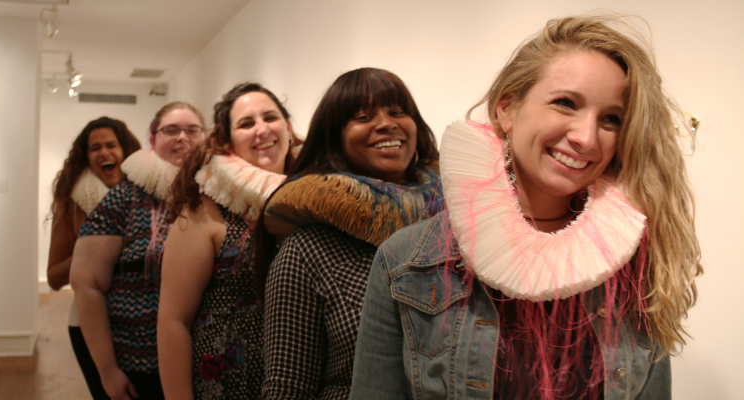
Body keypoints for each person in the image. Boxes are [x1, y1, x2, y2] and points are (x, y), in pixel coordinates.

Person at [350, 15, 702, 400]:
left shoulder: (636, 261)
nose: (586, 137)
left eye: (611, 119)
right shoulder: (406, 262)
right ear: (507, 108)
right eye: (565, 103)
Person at [254, 68, 442, 400]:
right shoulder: (307, 250)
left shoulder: (456, 226)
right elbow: (287, 387)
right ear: (334, 137)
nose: (386, 123)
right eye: (363, 116)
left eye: (398, 112)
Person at [157, 83, 298, 400]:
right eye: (246, 124)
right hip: (229, 385)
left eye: (270, 118)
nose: (262, 130)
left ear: (288, 128)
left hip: (301, 379)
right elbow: (173, 320)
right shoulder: (205, 207)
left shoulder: (317, 197)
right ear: (227, 140)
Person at [69, 103, 205, 400]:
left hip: (208, 365)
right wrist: (107, 370)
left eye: (192, 130)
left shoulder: (220, 196)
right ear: (153, 140)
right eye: (171, 130)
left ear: (205, 139)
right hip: (139, 364)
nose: (182, 138)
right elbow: (86, 284)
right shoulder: (125, 198)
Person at [46, 116, 142, 400]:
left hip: (141, 321)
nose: (104, 152)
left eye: (112, 145)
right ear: (85, 158)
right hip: (88, 322)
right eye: (95, 147)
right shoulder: (73, 204)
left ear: (126, 152)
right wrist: (92, 245)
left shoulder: (147, 198)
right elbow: (53, 278)